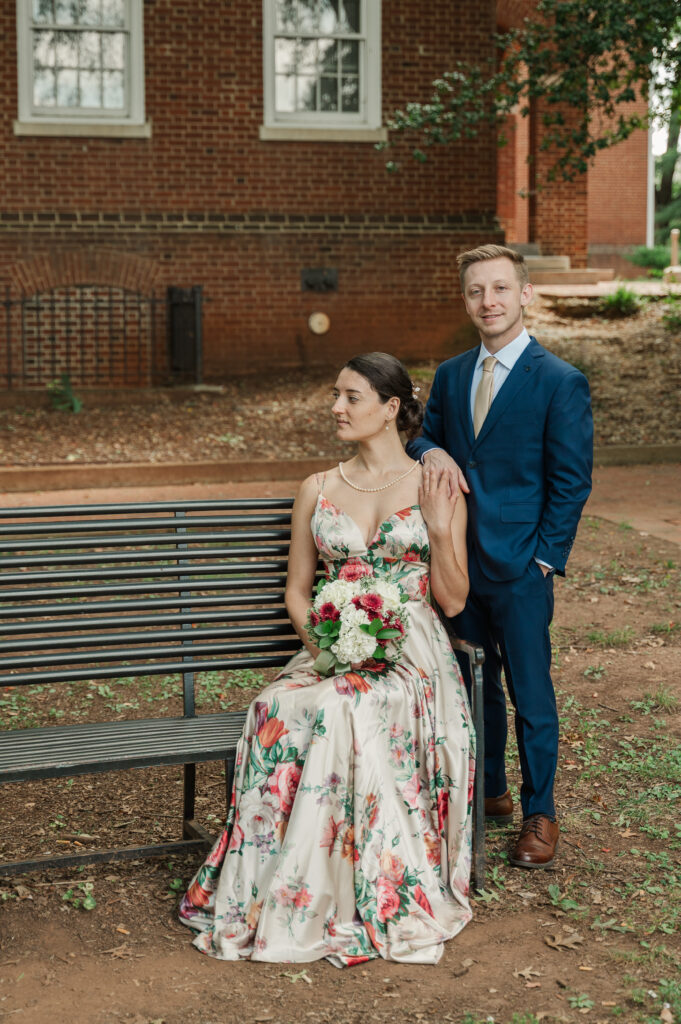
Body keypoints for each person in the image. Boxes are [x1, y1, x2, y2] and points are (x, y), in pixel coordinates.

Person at [179, 352, 475, 965]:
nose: (336, 408)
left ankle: (354, 893)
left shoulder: (433, 484)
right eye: (335, 397)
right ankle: (281, 891)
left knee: (346, 709)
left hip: (411, 654)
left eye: (351, 397)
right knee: (274, 707)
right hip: (334, 647)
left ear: (391, 408)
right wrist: (328, 648)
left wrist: (443, 534)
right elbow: (296, 590)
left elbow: (452, 597)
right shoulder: (319, 487)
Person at [407, 244, 593, 869]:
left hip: (521, 567)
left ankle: (541, 813)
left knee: (529, 693)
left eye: (500, 289)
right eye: (476, 292)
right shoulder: (454, 373)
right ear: (466, 301)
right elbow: (426, 433)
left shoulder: (560, 381)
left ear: (524, 294)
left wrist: (544, 560)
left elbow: (571, 481)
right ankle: (488, 791)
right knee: (468, 682)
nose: (488, 302)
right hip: (457, 560)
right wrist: (430, 451)